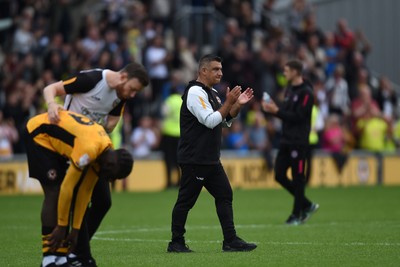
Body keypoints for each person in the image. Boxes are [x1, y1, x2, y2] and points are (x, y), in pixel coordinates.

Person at [42, 62, 149, 266]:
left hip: (92, 149)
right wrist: (51, 104)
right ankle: (78, 255)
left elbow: (111, 123)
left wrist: (97, 126)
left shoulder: (121, 95)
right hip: (70, 148)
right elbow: (51, 89)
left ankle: (74, 250)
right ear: (123, 77)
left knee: (103, 202)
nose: (133, 94)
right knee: (77, 203)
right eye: (133, 89)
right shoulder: (92, 80)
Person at [167, 54, 257, 253]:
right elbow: (209, 120)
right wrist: (228, 103)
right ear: (203, 71)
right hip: (194, 158)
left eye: (221, 69)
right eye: (216, 69)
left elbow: (223, 121)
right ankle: (176, 242)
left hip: (209, 158)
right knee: (186, 201)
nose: (220, 73)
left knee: (225, 194)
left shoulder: (213, 93)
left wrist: (236, 106)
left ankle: (230, 240)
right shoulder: (194, 93)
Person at [24, 110, 133, 267]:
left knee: (65, 193)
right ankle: (48, 258)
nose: (111, 180)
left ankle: (60, 258)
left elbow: (84, 193)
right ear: (110, 165)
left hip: (55, 143)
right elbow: (68, 188)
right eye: (113, 176)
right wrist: (62, 226)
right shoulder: (89, 151)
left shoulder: (104, 154)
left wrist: (74, 230)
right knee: (54, 192)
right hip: (39, 135)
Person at [262, 59, 319, 225]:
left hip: (299, 141)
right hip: (286, 140)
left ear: (295, 72)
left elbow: (300, 117)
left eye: (286, 71)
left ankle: (297, 214)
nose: (284, 73)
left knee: (298, 177)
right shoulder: (289, 90)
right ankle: (307, 204)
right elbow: (286, 114)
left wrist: (277, 111)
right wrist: (273, 109)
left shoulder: (307, 92)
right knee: (279, 175)